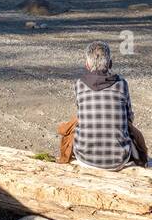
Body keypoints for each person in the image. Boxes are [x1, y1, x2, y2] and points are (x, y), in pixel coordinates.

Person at [58, 41, 147, 170]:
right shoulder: (121, 84)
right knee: (128, 127)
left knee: (72, 125)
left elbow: (81, 112)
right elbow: (129, 117)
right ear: (110, 63)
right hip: (119, 161)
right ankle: (140, 160)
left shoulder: (79, 84)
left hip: (85, 158)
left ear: (87, 65)